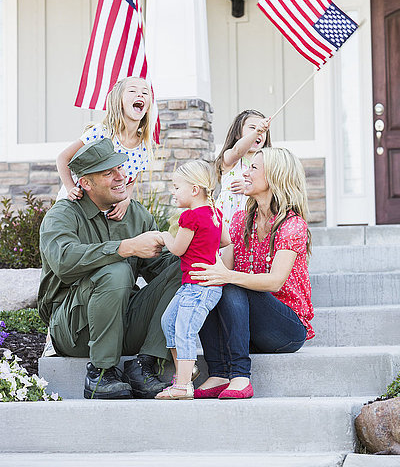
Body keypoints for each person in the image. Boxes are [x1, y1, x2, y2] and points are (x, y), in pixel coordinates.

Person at [38, 138, 182, 400]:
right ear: (86, 183)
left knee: (184, 267)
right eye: (109, 173)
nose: (121, 177)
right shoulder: (62, 214)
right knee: (115, 270)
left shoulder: (136, 215)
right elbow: (63, 260)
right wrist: (126, 247)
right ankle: (101, 372)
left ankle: (144, 364)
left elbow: (159, 270)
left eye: (120, 168)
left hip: (125, 323)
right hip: (74, 331)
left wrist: (194, 244)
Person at [190, 147, 314, 399]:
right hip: (248, 324)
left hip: (286, 329)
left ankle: (239, 375)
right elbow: (222, 268)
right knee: (206, 278)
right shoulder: (240, 220)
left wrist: (227, 276)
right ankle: (218, 372)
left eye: (254, 168)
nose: (245, 173)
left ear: (275, 177)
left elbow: (275, 281)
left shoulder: (292, 225)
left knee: (232, 283)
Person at [155, 160, 231, 400]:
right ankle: (186, 372)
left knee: (184, 331)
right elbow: (225, 241)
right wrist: (206, 248)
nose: (173, 192)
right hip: (195, 286)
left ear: (195, 189)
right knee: (169, 322)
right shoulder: (215, 214)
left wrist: (164, 235)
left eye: (177, 187)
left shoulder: (190, 217)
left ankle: (183, 386)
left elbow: (177, 249)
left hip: (199, 287)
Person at [56, 76, 153, 221]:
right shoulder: (102, 132)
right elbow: (63, 158)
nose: (140, 95)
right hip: (78, 205)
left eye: (145, 93)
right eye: (132, 91)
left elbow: (131, 179)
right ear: (118, 102)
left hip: (105, 212)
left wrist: (126, 199)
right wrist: (70, 188)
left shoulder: (144, 145)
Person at [215, 110, 271, 228]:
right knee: (227, 245)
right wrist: (257, 132)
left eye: (263, 130)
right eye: (252, 127)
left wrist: (249, 187)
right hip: (228, 217)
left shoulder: (266, 161)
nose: (259, 132)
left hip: (253, 216)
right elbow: (238, 151)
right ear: (237, 134)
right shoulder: (230, 157)